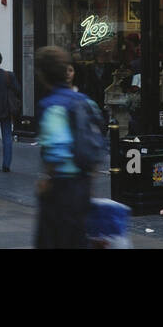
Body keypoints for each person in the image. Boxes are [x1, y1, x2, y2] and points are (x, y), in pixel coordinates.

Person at [35, 45, 104, 249]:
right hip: (83, 183)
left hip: (62, 186)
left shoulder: (51, 105)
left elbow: (57, 147)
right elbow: (98, 137)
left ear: (43, 74)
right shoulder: (86, 101)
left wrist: (47, 179)